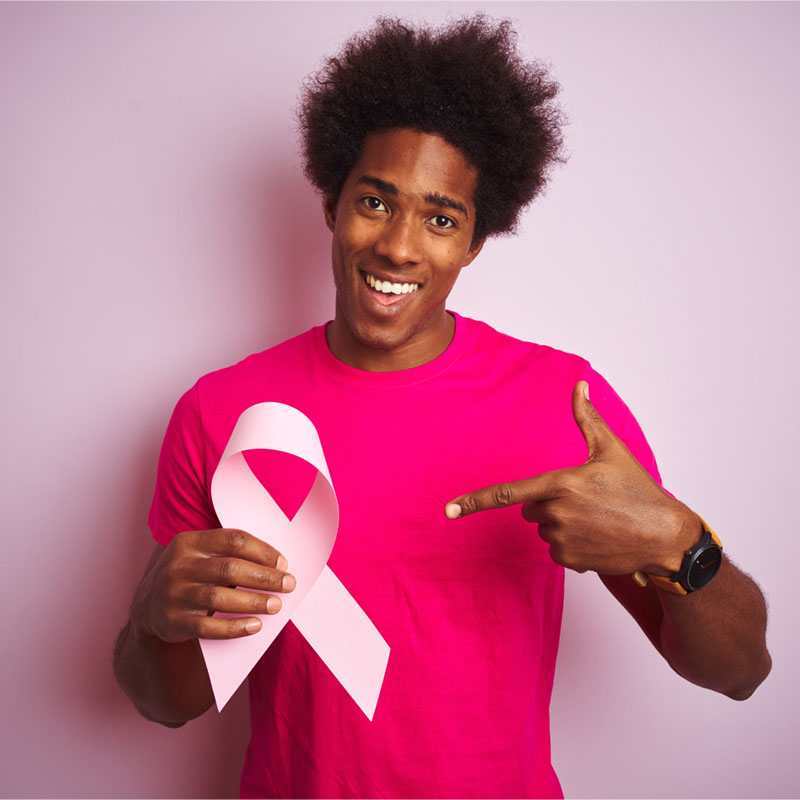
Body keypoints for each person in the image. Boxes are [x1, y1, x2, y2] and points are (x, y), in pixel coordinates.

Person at [113, 16, 771, 798]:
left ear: (474, 243)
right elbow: (167, 705)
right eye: (375, 201)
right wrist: (154, 617)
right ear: (331, 203)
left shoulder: (564, 406)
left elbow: (740, 674)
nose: (398, 246)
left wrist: (679, 543)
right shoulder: (223, 413)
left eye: (439, 218)